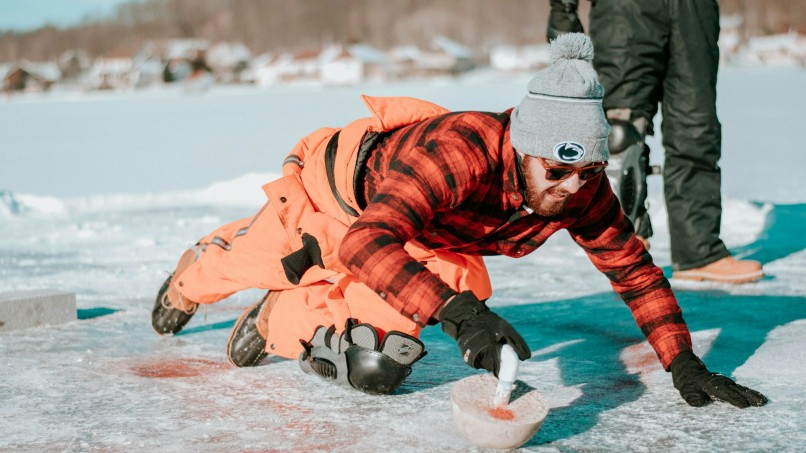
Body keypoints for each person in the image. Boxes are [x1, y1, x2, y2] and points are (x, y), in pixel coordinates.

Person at [151, 34, 766, 407]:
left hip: (427, 239)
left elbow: (633, 272)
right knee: (258, 263)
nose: (571, 190)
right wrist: (457, 313)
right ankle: (196, 272)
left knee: (375, 364)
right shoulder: (460, 150)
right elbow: (368, 239)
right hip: (333, 201)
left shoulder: (580, 186)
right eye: (556, 172)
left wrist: (681, 359)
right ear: (524, 149)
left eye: (586, 173)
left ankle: (280, 314)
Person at [546, 0, 764, 284]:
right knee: (621, 133)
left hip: (693, 11)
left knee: (696, 128)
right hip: (625, 11)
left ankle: (699, 252)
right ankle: (625, 249)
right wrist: (563, 8)